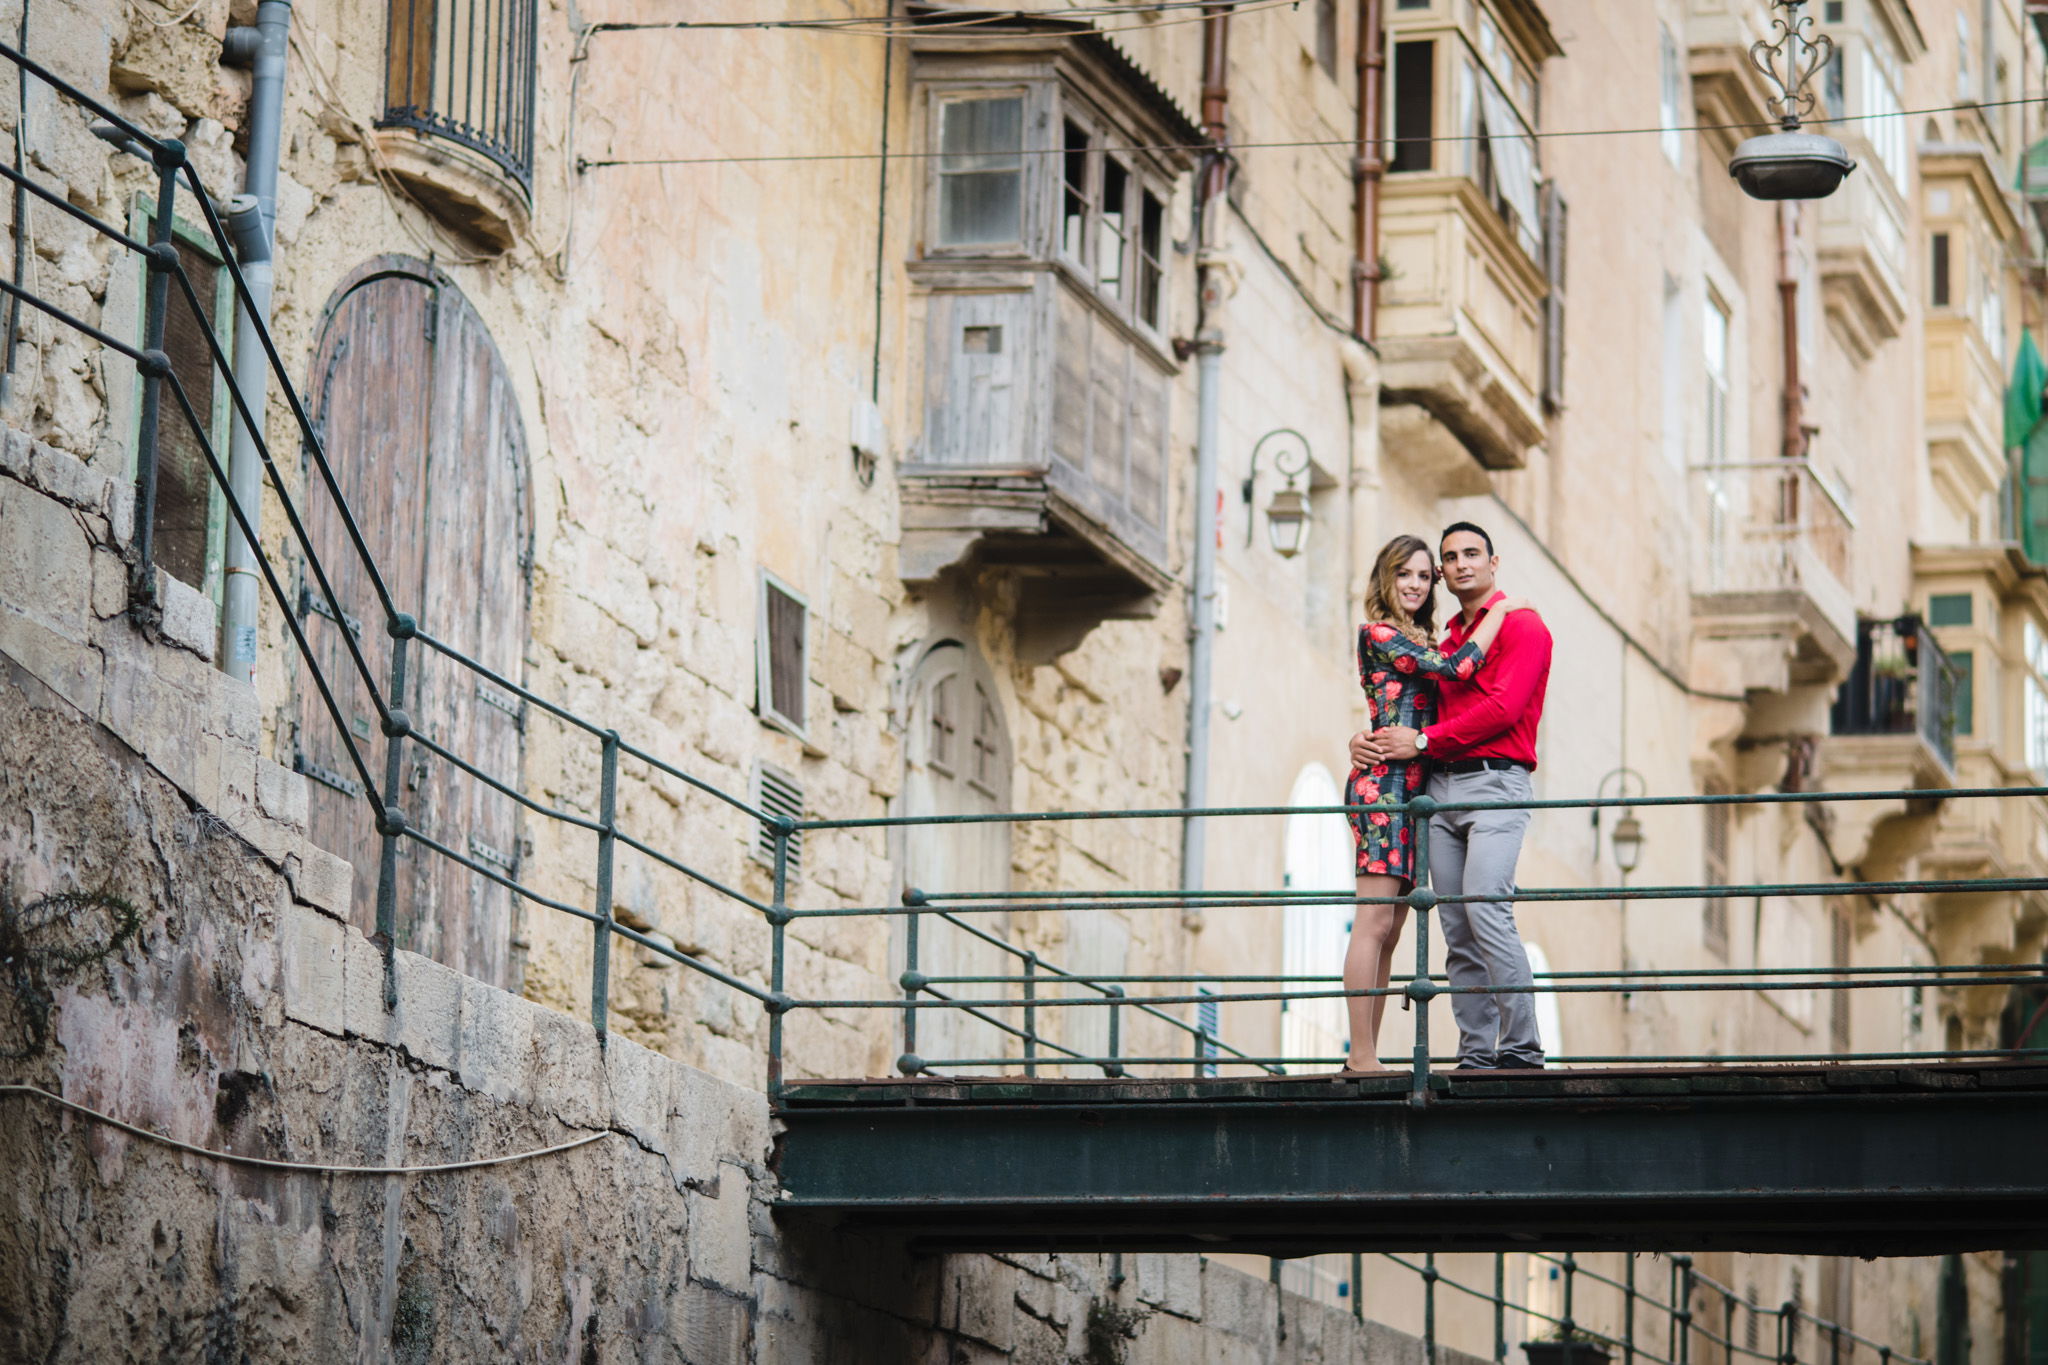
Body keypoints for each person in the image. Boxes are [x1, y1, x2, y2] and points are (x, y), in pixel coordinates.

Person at [1352, 521, 1553, 1071]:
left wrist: (1420, 740)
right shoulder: (1439, 640)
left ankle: (1520, 1049)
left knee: (1487, 906)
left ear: (1493, 561)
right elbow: (1411, 700)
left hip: (1494, 781)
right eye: (1451, 557)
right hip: (1436, 789)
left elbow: (1501, 711)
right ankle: (1475, 1054)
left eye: (1472, 553)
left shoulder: (1523, 626)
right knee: (1455, 928)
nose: (1462, 563)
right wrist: (1364, 739)